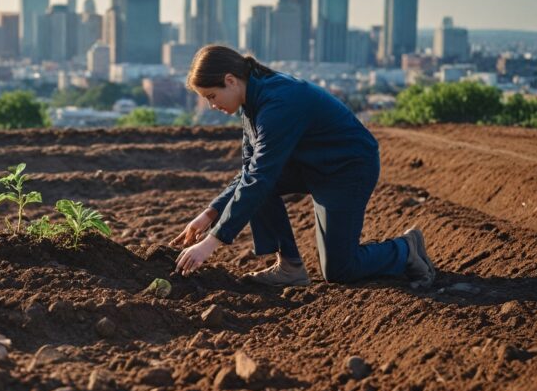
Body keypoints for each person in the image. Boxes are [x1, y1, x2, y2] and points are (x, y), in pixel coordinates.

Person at [170, 45, 435, 287]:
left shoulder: (277, 103)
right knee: (259, 184)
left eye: (211, 96)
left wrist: (211, 243)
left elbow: (259, 177)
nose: (211, 105)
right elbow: (250, 172)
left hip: (347, 169)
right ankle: (290, 267)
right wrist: (209, 214)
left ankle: (405, 249)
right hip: (312, 166)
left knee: (341, 270)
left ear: (230, 80)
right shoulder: (250, 105)